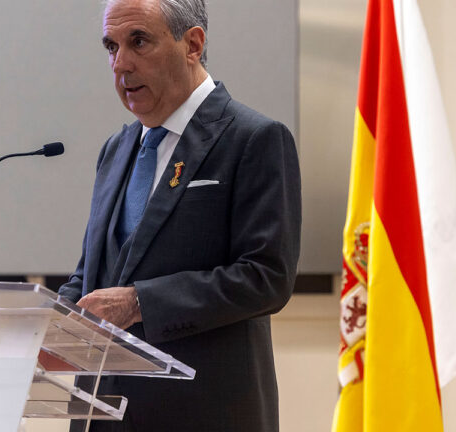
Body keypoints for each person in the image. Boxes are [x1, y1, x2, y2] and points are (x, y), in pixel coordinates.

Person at [58, 0, 301, 430]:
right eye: (111, 47)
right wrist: (42, 323)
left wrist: (139, 303)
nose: (121, 64)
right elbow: (93, 274)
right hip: (105, 415)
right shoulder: (116, 150)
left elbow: (266, 277)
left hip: (203, 414)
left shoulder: (254, 139)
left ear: (192, 44)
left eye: (138, 42)